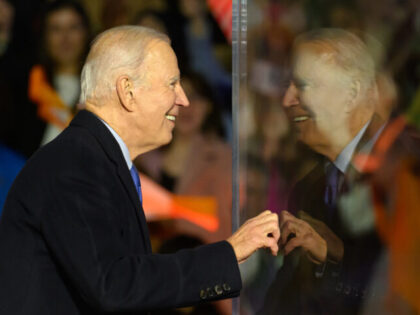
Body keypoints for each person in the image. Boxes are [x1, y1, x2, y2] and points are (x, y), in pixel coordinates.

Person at [0, 25, 280, 314]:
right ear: (127, 91)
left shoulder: (96, 159)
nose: (182, 99)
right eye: (172, 84)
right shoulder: (77, 163)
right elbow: (113, 285)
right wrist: (228, 254)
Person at [260, 28, 388, 314]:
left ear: (351, 92)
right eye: (287, 84)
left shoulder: (407, 168)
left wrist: (336, 255)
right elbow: (288, 296)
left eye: (303, 85)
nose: (287, 100)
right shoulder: (309, 188)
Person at [29, 0, 91, 146]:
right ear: (44, 36)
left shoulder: (101, 89)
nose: (65, 38)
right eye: (56, 29)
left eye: (73, 27)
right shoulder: (31, 85)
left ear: (86, 32)